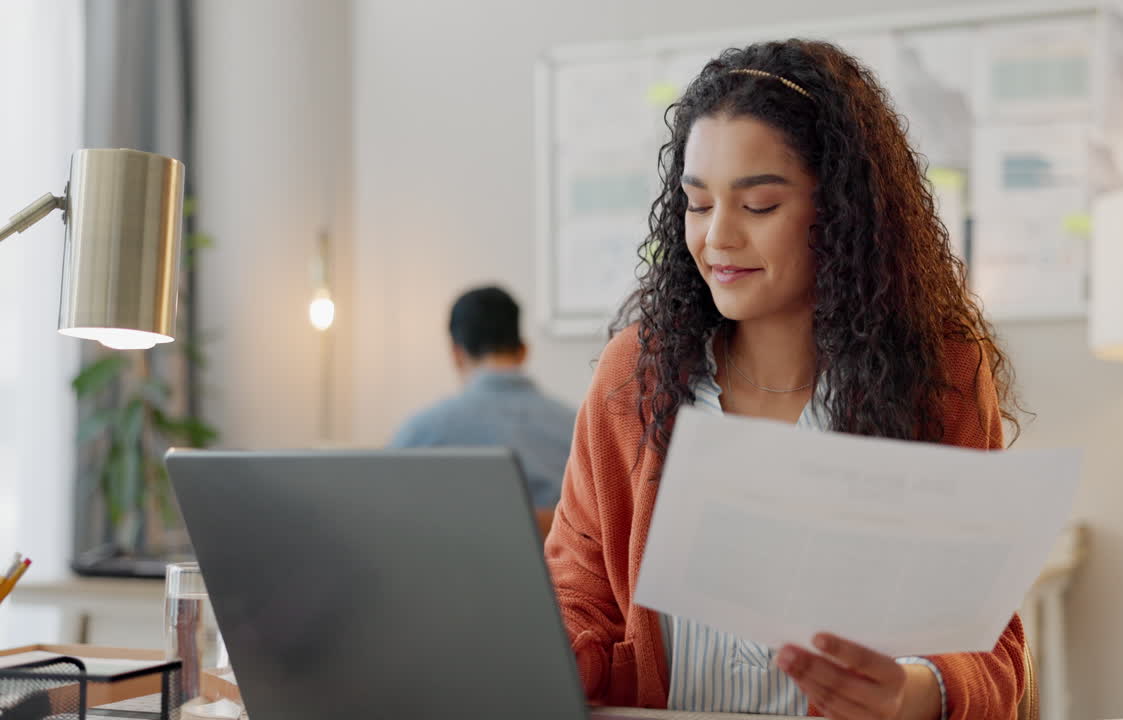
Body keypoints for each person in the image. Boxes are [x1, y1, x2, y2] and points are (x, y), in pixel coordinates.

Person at [544, 40, 1027, 720]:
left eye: (759, 206)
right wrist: (536, 652)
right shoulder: (635, 376)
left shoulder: (936, 376)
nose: (717, 239)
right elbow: (577, 596)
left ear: (841, 212)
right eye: (697, 204)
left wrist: (911, 693)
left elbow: (991, 650)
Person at [390, 286, 575, 537]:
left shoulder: (419, 432)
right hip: (555, 574)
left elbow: (390, 519)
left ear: (456, 353)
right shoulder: (577, 429)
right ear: (523, 351)